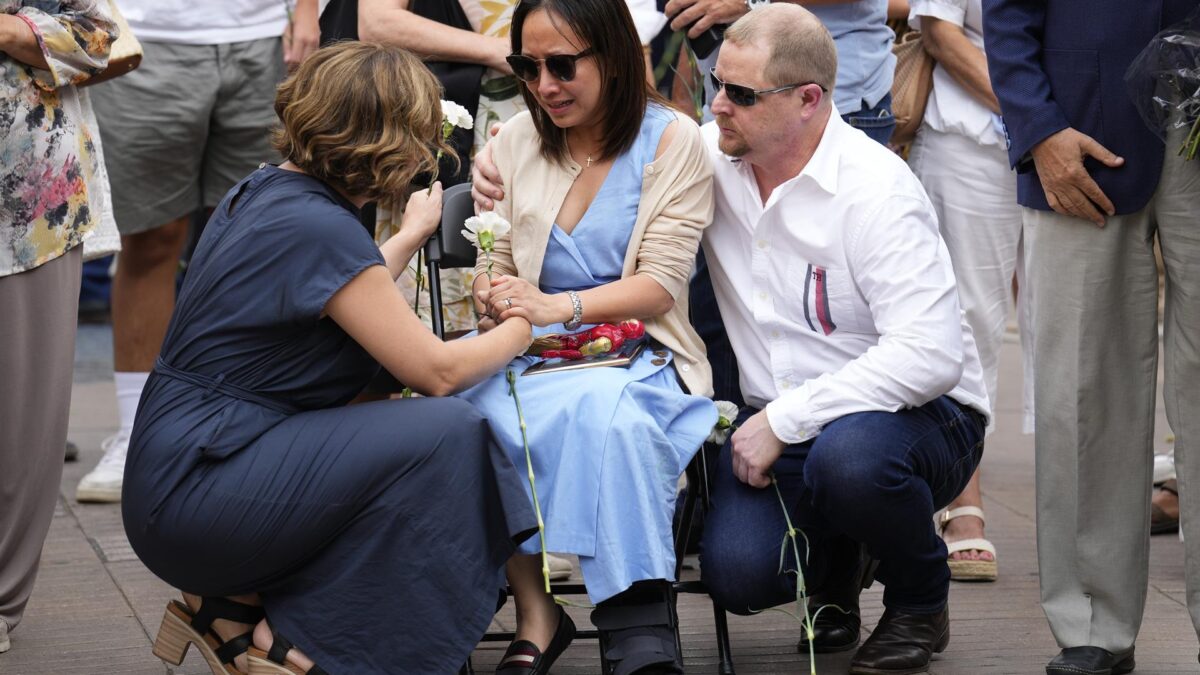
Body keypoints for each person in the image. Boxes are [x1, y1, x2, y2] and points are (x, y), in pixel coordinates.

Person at [475, 7, 990, 673]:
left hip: (915, 416)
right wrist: (500, 158)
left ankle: (920, 598)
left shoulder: (877, 191)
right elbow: (626, 152)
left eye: (740, 95)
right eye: (719, 84)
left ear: (808, 101)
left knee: (852, 462)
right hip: (779, 421)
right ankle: (836, 565)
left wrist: (782, 417)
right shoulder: (717, 158)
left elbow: (929, 356)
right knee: (738, 573)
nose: (717, 105)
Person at [123, 42, 537, 675]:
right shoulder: (318, 227)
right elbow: (438, 371)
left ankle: (236, 603)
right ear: (393, 140)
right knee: (449, 432)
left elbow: (338, 292)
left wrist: (406, 237)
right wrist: (524, 324)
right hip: (200, 491)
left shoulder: (267, 190)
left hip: (183, 469)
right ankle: (317, 642)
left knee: (405, 427)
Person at [457, 1, 718, 673]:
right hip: (528, 354)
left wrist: (554, 304)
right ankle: (532, 606)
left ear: (614, 55)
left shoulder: (671, 140)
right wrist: (496, 291)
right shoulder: (517, 138)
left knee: (610, 418)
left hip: (637, 351)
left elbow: (660, 284)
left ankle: (637, 621)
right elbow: (500, 263)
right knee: (458, 419)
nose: (545, 85)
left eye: (563, 65)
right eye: (528, 65)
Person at [984, 0, 1200, 673]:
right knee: (1081, 387)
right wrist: (1039, 127)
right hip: (1082, 131)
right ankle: (1092, 623)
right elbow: (1007, 9)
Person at [75, 0, 321, 504]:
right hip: (143, 34)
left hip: (263, 33)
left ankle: (251, 426)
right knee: (151, 239)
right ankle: (137, 433)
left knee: (260, 237)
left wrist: (307, 9)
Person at [906, 0, 1037, 582]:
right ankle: (961, 500)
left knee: (1073, 327)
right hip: (974, 136)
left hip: (1094, 130)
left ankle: (1083, 511)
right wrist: (1039, 119)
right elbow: (939, 28)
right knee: (970, 318)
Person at [0, 0, 114, 656]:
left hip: (28, 200)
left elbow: (97, 38)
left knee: (23, 416)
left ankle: (2, 599)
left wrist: (12, 30)